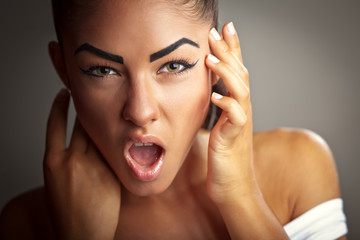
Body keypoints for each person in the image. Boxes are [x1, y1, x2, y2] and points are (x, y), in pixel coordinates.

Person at [0, 0, 347, 239]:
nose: (139, 110)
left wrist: (240, 196)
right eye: (102, 70)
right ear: (64, 69)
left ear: (216, 60)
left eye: (173, 65)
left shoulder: (298, 166)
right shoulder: (25, 225)